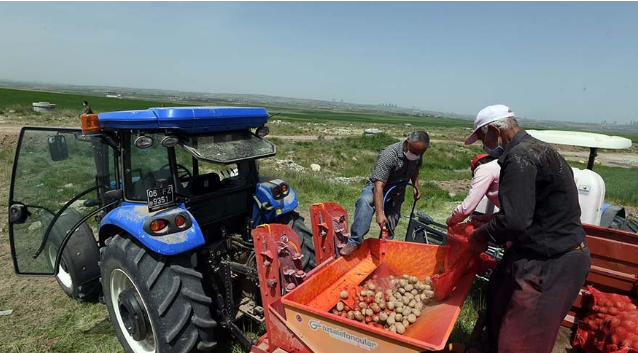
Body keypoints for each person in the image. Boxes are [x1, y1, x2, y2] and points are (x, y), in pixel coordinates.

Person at [464, 104, 590, 353]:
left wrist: (481, 235)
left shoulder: (520, 156)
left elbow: (515, 221)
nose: (483, 145)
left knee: (519, 342)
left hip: (552, 261)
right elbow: (530, 210)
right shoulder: (532, 149)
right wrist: (492, 222)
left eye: (481, 137)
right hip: (535, 251)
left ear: (493, 130)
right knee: (498, 300)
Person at [339, 131, 430, 256]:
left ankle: (384, 246)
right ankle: (355, 241)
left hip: (397, 191)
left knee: (392, 220)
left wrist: (416, 185)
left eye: (418, 154)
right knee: (365, 202)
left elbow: (416, 168)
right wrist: (380, 213)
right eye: (413, 152)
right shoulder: (389, 154)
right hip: (378, 187)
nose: (415, 156)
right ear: (406, 143)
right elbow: (378, 186)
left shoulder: (417, 153)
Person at [446, 154, 500, 226]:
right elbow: (511, 210)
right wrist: (487, 217)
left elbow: (467, 208)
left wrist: (452, 220)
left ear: (479, 164)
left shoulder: (485, 168)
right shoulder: (500, 165)